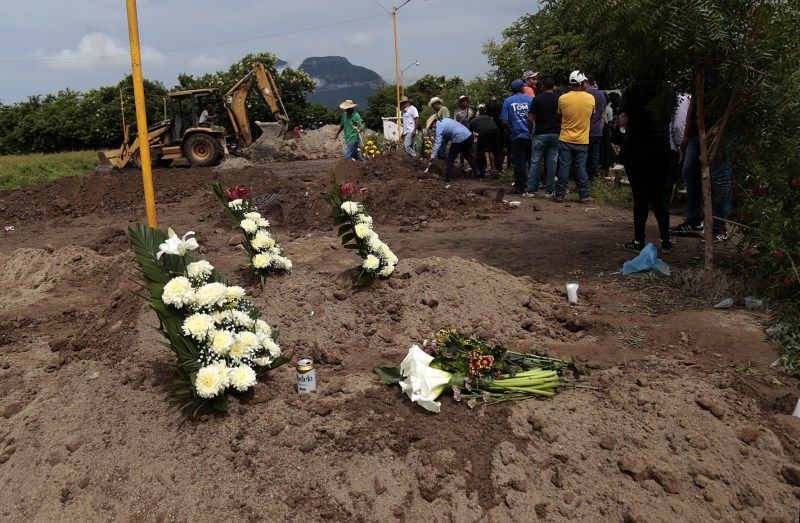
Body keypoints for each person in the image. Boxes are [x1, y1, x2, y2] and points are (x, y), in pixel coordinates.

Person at [670, 96, 733, 242]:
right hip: (697, 133)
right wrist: (686, 136)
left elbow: (736, 103)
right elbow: (693, 106)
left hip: (718, 132)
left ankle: (719, 228)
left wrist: (722, 125)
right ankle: (694, 222)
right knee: (689, 172)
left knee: (719, 179)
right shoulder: (697, 77)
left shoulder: (725, 80)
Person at [619, 82, 673, 252]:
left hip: (636, 147)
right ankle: (666, 241)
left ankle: (638, 241)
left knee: (640, 196)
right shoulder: (667, 91)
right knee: (659, 195)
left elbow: (624, 118)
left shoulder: (632, 90)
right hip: (660, 147)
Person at [554, 71, 595, 203]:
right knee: (581, 168)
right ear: (582, 82)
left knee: (564, 167)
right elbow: (591, 116)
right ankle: (584, 195)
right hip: (582, 140)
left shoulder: (562, 98)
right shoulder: (590, 98)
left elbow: (561, 116)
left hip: (565, 138)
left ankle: (560, 195)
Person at [525, 77, 560, 197]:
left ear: (542, 87)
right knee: (552, 163)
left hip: (540, 134)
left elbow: (530, 118)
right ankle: (550, 191)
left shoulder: (537, 99)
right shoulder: (559, 99)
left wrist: (530, 131)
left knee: (535, 162)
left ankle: (530, 190)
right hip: (555, 134)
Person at [501, 79, 533, 194]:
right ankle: (533, 185)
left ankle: (520, 186)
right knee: (533, 161)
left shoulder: (508, 101)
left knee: (520, 162)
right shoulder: (531, 99)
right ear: (522, 89)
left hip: (516, 136)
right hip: (531, 135)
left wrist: (509, 131)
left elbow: (504, 121)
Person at [428, 118, 481, 182]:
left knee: (450, 158)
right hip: (469, 135)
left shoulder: (439, 127)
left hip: (459, 137)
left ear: (434, 123)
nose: (433, 128)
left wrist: (432, 156)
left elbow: (437, 143)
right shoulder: (446, 120)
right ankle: (477, 172)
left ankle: (448, 177)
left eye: (432, 127)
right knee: (468, 155)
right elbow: (448, 134)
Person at [584, 76, 607, 183]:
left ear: (586, 82)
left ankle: (583, 182)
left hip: (586, 131)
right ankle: (594, 182)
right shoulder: (602, 95)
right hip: (598, 130)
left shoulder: (585, 94)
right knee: (594, 158)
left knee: (583, 158)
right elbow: (603, 114)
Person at [469, 111, 500, 177]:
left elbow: (470, 135)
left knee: (480, 152)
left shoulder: (471, 123)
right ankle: (497, 171)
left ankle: (481, 172)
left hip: (484, 133)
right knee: (495, 151)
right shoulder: (485, 116)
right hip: (495, 131)